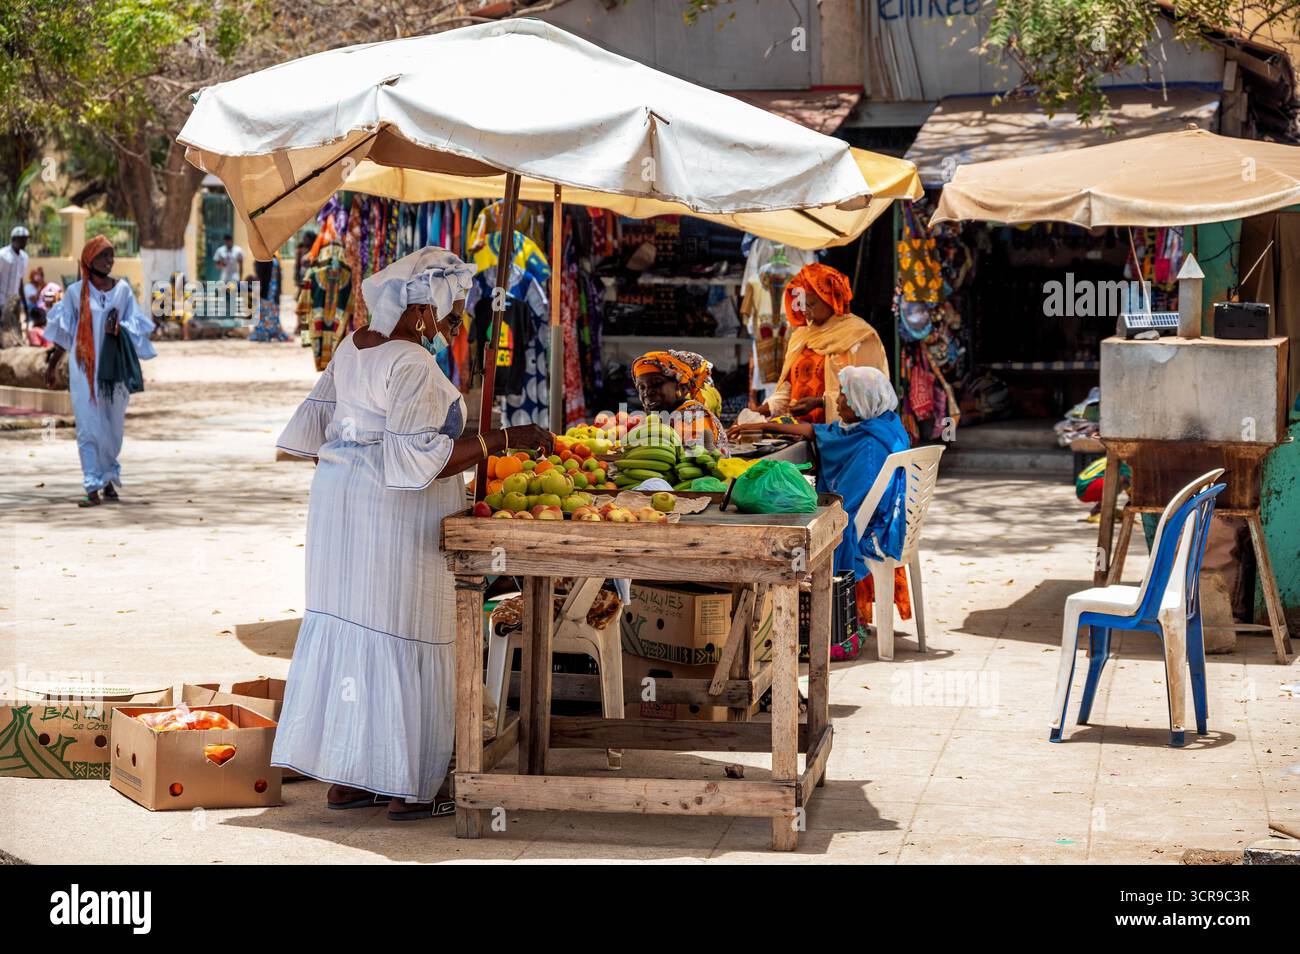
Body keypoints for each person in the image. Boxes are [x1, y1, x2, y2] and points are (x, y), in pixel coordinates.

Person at [271, 246, 553, 820]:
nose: (454, 328)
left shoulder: (353, 347)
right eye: (450, 317)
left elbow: (323, 426)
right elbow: (420, 458)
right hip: (394, 514)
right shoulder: (415, 365)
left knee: (356, 628)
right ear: (423, 311)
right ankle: (409, 787)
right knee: (405, 630)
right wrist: (508, 439)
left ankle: (349, 777)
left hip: (338, 506)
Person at [729, 365, 912, 637]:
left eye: (843, 397)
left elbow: (846, 504)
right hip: (885, 518)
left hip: (872, 526)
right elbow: (821, 432)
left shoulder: (871, 445)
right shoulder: (880, 424)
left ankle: (805, 617)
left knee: (802, 529)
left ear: (860, 402)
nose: (837, 402)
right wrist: (763, 424)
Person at [43, 236, 157, 506]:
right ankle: (92, 484)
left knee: (113, 427)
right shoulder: (74, 293)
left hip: (113, 369)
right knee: (88, 426)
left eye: (112, 256)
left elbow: (135, 327)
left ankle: (109, 479)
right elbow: (63, 332)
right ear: (89, 260)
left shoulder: (123, 292)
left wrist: (119, 329)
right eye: (104, 256)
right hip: (83, 369)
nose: (110, 261)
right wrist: (51, 365)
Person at [756, 263, 888, 424]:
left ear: (831, 300)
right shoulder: (802, 336)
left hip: (839, 435)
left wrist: (820, 402)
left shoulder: (859, 337)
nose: (805, 310)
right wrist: (759, 411)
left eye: (811, 304)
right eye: (803, 303)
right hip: (799, 433)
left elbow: (868, 396)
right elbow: (789, 387)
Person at [631, 349, 729, 455]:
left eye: (657, 383)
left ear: (682, 388)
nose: (647, 392)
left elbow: (697, 461)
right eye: (641, 387)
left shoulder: (693, 416)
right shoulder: (664, 416)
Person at [0, 226, 30, 348]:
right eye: (22, 239)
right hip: (1, 299)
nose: (25, 242)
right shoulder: (2, 255)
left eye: (26, 239)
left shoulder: (24, 257)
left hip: (14, 301)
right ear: (14, 239)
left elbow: (21, 281)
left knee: (15, 329)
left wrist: (24, 303)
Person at [249, 254, 288, 342]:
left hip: (268, 292)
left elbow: (261, 277)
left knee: (266, 313)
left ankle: (265, 333)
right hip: (271, 292)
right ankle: (271, 332)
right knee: (270, 313)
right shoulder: (274, 259)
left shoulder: (263, 259)